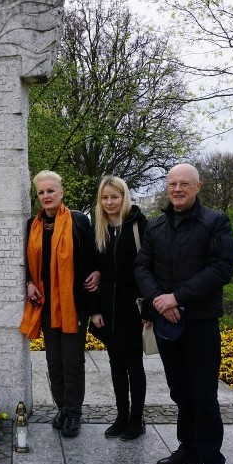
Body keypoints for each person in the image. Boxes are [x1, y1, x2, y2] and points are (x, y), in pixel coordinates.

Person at [133, 163, 233, 464]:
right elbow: (142, 266)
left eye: (184, 184)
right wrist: (160, 302)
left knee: (204, 394)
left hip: (201, 322)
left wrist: (177, 297)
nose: (177, 189)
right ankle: (188, 448)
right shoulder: (156, 226)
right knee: (180, 390)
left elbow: (221, 267)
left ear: (198, 187)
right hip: (168, 323)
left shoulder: (215, 222)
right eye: (172, 184)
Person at [20, 170, 97, 438]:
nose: (46, 196)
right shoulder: (33, 224)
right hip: (45, 303)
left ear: (61, 193)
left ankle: (74, 413)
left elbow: (92, 256)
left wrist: (97, 273)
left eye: (50, 191)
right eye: (41, 192)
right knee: (54, 361)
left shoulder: (77, 221)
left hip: (73, 302)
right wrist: (29, 282)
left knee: (72, 360)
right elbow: (29, 262)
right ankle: (62, 407)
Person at [86, 176, 148, 441]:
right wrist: (94, 310)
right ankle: (121, 414)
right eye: (105, 197)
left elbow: (150, 270)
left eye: (114, 196)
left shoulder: (140, 226)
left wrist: (149, 310)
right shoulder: (97, 229)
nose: (109, 202)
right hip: (108, 306)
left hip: (133, 305)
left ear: (124, 197)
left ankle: (137, 418)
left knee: (134, 364)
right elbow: (91, 272)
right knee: (115, 364)